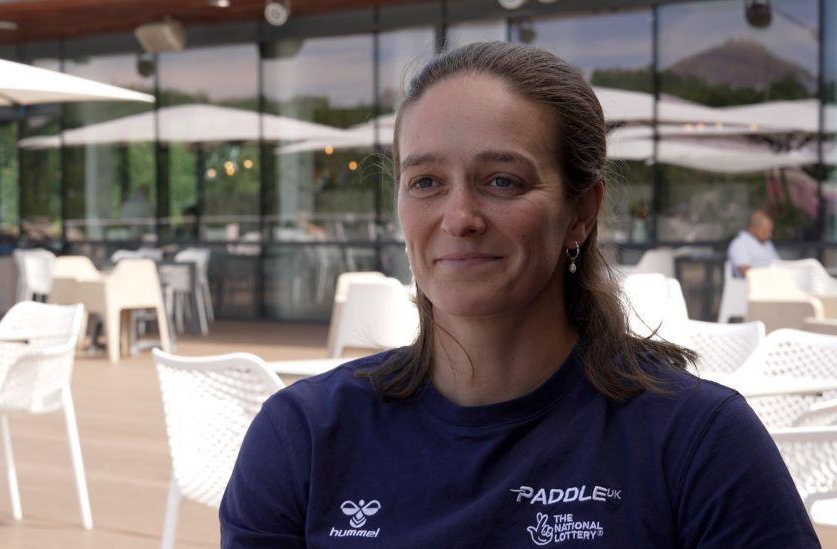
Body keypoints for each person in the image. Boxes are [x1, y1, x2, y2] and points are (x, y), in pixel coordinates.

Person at [220, 43, 817, 548]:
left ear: (581, 212)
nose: (459, 217)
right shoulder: (302, 438)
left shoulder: (697, 443)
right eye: (426, 182)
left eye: (502, 180)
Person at [727, 210, 780, 277]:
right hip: (752, 285)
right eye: (765, 231)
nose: (769, 235)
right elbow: (746, 272)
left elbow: (778, 264)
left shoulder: (767, 243)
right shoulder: (739, 244)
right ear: (753, 228)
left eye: (770, 231)